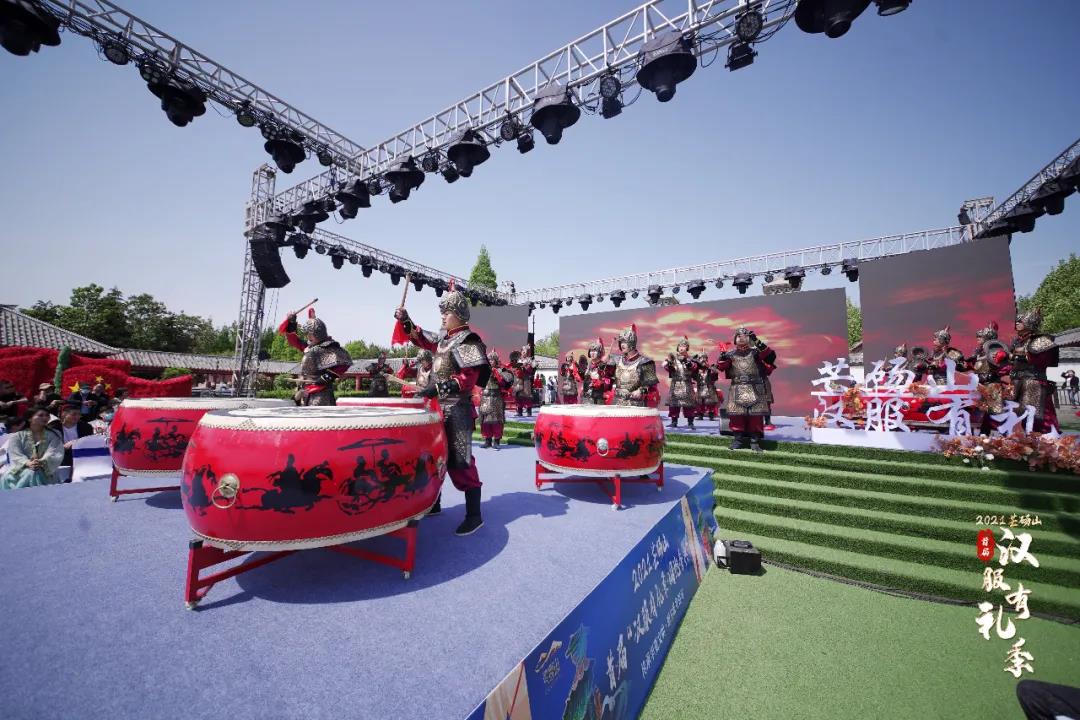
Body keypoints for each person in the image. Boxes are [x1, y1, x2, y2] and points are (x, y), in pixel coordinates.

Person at [394, 289, 491, 536]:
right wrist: (406, 320)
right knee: (434, 455)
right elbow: (420, 337)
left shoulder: (469, 340)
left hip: (458, 409)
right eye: (442, 312)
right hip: (438, 409)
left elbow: (467, 379)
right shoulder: (443, 339)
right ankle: (434, 503)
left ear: (459, 314)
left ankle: (474, 516)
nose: (443, 316)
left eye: (447, 312)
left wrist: (436, 389)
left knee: (461, 460)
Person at [716, 327, 775, 452]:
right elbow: (721, 367)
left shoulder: (756, 352)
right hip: (737, 387)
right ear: (734, 340)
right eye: (738, 336)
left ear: (749, 338)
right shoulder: (730, 354)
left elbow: (769, 355)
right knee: (736, 416)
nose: (741, 338)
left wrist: (756, 340)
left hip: (755, 387)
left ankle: (755, 441)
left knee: (756, 417)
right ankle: (738, 440)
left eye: (744, 336)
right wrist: (722, 356)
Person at [278, 310, 353, 406]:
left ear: (318, 333)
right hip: (304, 391)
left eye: (311, 333)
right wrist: (291, 322)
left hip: (321, 392)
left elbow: (344, 362)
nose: (308, 336)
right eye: (307, 333)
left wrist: (327, 377)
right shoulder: (309, 347)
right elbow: (294, 341)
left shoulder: (328, 347)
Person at [1003, 306, 1059, 433]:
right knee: (1014, 415)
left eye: (1020, 321)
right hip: (1016, 382)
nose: (1017, 323)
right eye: (1016, 321)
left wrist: (1013, 356)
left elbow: (1036, 360)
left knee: (1035, 417)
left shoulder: (1042, 340)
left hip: (1033, 382)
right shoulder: (1018, 342)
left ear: (1030, 322)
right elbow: (1013, 363)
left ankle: (1044, 439)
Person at [1, 408, 65, 489]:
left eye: (47, 415)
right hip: (20, 469)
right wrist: (28, 463)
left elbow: (54, 452)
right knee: (30, 473)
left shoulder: (54, 434)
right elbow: (15, 454)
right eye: (41, 415)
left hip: (45, 469)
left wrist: (41, 462)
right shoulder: (17, 436)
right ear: (30, 418)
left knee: (34, 472)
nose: (45, 418)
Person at [966, 320, 1009, 434]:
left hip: (992, 384)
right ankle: (980, 434)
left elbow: (1004, 366)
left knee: (994, 412)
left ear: (987, 338)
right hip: (979, 385)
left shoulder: (997, 351)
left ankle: (999, 434)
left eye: (980, 337)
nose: (977, 339)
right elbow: (971, 365)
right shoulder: (978, 352)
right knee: (977, 411)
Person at [612, 325, 659, 407]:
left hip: (636, 404)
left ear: (632, 343)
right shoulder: (617, 360)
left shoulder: (645, 362)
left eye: (625, 342)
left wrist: (641, 391)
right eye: (621, 342)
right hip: (617, 403)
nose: (622, 345)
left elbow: (651, 384)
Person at [478, 351, 515, 448]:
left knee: (496, 421)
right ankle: (487, 440)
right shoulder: (484, 370)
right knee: (485, 420)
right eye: (489, 359)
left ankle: (497, 441)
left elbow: (508, 380)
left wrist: (498, 376)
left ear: (496, 361)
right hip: (485, 398)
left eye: (492, 360)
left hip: (496, 398)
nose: (490, 361)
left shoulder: (501, 369)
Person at [47, 403, 94, 473]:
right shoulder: (53, 427)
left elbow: (89, 443)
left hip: (80, 456)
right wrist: (64, 447)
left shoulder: (86, 427)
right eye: (74, 414)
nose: (77, 417)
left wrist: (77, 443)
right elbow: (48, 448)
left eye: (79, 414)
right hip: (60, 457)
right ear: (64, 415)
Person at [663, 337, 698, 428]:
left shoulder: (691, 359)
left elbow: (695, 368)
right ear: (677, 347)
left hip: (687, 384)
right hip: (676, 384)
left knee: (689, 404)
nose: (681, 348)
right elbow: (667, 368)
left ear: (687, 348)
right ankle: (674, 421)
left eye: (684, 346)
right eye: (680, 346)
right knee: (674, 404)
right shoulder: (673, 358)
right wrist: (669, 364)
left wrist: (689, 363)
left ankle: (690, 422)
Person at [580, 339, 614, 405]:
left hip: (599, 396)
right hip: (587, 397)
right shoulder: (589, 364)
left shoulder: (604, 365)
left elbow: (609, 380)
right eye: (591, 351)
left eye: (595, 351)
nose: (592, 353)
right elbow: (585, 379)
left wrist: (601, 381)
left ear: (599, 352)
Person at [512, 345, 536, 417]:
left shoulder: (530, 360)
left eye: (525, 351)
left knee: (527, 396)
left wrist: (525, 367)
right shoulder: (518, 360)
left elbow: (533, 368)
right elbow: (514, 369)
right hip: (518, 380)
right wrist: (516, 369)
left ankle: (529, 412)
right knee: (518, 396)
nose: (524, 353)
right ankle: (519, 411)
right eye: (523, 351)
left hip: (526, 379)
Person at [696, 353, 722, 421]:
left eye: (704, 358)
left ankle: (711, 415)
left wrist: (709, 367)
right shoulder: (697, 368)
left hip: (709, 387)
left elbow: (715, 373)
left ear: (707, 359)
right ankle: (700, 415)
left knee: (710, 403)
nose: (703, 360)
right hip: (701, 387)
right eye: (701, 358)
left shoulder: (711, 367)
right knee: (700, 402)